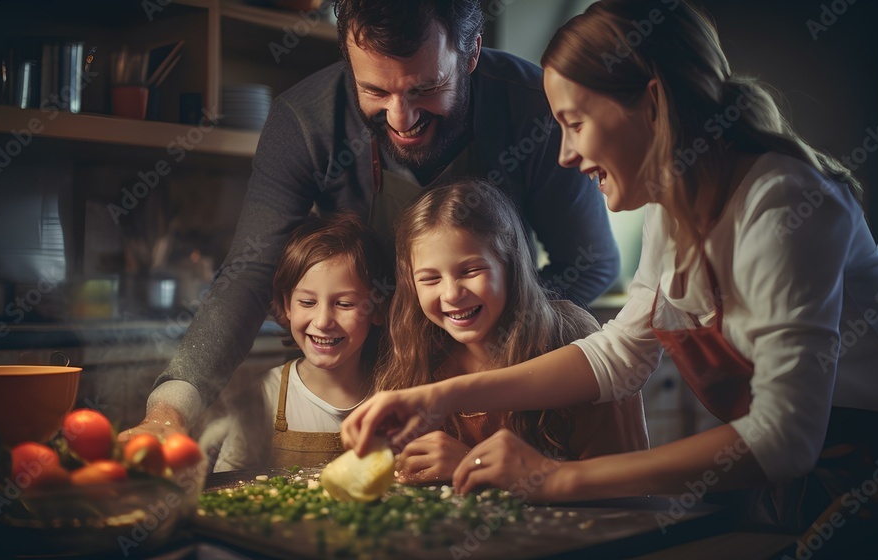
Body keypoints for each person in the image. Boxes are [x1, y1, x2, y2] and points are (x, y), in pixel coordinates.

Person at [341, 1, 878, 556]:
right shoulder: (671, 213)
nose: (566, 154)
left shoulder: (782, 203)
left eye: (574, 123)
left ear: (651, 102)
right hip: (821, 481)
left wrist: (554, 479)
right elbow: (621, 355)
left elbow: (784, 439)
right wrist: (438, 397)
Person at [121, 0, 620, 443]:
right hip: (376, 382)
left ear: (471, 55)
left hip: (509, 379)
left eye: (426, 88)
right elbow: (249, 276)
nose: (401, 118)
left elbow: (591, 263)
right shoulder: (304, 122)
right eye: (375, 91)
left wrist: (487, 340)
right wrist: (171, 409)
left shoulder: (535, 106)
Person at [380, 179, 647, 484]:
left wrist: (470, 464)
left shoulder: (573, 340)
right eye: (429, 279)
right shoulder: (418, 356)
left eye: (471, 271)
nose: (451, 293)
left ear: (510, 265)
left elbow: (624, 486)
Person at [211, 213, 391, 471]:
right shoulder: (264, 395)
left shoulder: (397, 389)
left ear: (377, 309)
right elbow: (227, 486)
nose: (323, 321)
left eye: (344, 304)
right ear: (287, 305)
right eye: (307, 302)